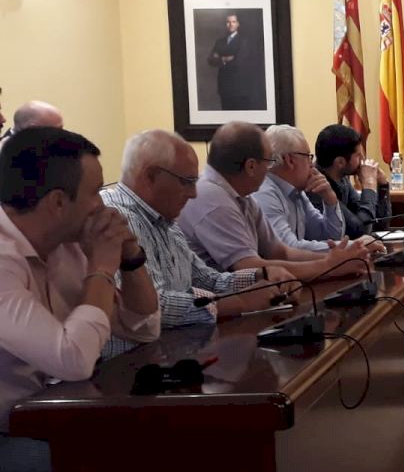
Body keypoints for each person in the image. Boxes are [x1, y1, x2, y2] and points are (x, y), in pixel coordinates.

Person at [0, 127, 160, 472]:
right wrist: (102, 268)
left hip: (39, 419)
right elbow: (72, 357)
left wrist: (129, 256)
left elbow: (144, 327)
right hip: (5, 433)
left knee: (126, 457)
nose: (104, 205)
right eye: (95, 192)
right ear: (56, 202)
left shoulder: (69, 245)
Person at [101, 129, 299, 358]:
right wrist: (239, 302)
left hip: (169, 356)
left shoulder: (165, 220)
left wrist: (261, 276)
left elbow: (208, 280)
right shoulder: (118, 218)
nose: (194, 194)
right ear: (150, 176)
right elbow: (151, 310)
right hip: (123, 369)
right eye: (187, 182)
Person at [176, 122, 365, 280]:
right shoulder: (213, 198)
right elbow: (249, 268)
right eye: (268, 162)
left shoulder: (241, 195)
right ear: (251, 166)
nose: (270, 170)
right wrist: (329, 266)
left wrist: (335, 259)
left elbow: (281, 252)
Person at [252, 125, 347, 251]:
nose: (312, 164)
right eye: (308, 156)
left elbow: (330, 236)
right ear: (290, 160)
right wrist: (351, 247)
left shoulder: (296, 192)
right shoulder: (264, 193)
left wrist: (330, 200)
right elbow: (287, 249)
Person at [309, 124, 392, 238]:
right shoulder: (317, 186)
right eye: (358, 155)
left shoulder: (342, 180)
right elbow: (360, 231)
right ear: (340, 162)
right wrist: (369, 186)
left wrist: (383, 186)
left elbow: (380, 225)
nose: (363, 159)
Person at [206, 13, 266, 110]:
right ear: (225, 24)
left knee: (239, 115)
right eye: (228, 22)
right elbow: (210, 60)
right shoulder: (220, 42)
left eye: (233, 22)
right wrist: (224, 59)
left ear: (238, 24)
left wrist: (219, 58)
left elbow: (238, 62)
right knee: (226, 115)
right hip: (224, 87)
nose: (231, 24)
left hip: (239, 87)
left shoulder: (243, 41)